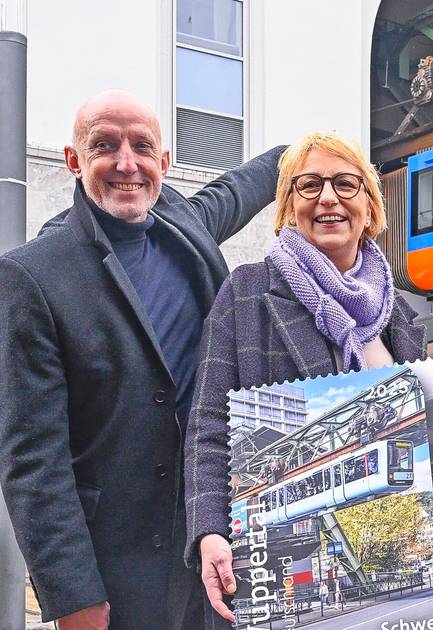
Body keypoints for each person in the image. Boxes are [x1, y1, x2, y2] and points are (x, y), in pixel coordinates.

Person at [0, 90, 283, 630]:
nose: (126, 163)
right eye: (104, 145)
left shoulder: (185, 224)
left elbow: (239, 187)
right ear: (73, 160)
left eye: (142, 147)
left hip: (214, 538)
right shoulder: (32, 276)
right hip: (118, 564)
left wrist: (303, 152)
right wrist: (72, 593)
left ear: (165, 164)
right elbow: (33, 456)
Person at [182, 131, 426, 624]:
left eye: (345, 184)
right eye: (308, 185)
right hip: (273, 554)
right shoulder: (246, 292)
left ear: (370, 206)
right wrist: (210, 530)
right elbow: (208, 425)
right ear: (288, 206)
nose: (328, 198)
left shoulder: (399, 313)